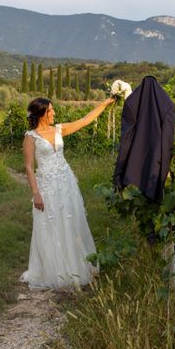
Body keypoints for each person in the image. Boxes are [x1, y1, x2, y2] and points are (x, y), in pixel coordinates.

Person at [20, 96, 116, 289]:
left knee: (71, 222)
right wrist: (36, 193)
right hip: (47, 186)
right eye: (51, 110)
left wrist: (105, 103)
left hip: (66, 183)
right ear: (41, 114)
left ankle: (76, 266)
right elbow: (29, 167)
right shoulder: (31, 137)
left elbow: (84, 120)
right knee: (51, 224)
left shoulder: (59, 129)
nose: (54, 113)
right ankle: (56, 271)